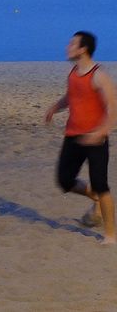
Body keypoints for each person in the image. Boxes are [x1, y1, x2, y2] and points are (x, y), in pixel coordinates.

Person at [45, 31, 117, 244]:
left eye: (72, 44)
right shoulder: (74, 72)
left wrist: (102, 131)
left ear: (83, 49)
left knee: (101, 184)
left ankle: (110, 235)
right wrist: (54, 108)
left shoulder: (98, 74)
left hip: (96, 138)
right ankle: (94, 198)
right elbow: (71, 96)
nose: (68, 47)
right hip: (73, 136)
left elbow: (112, 106)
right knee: (64, 180)